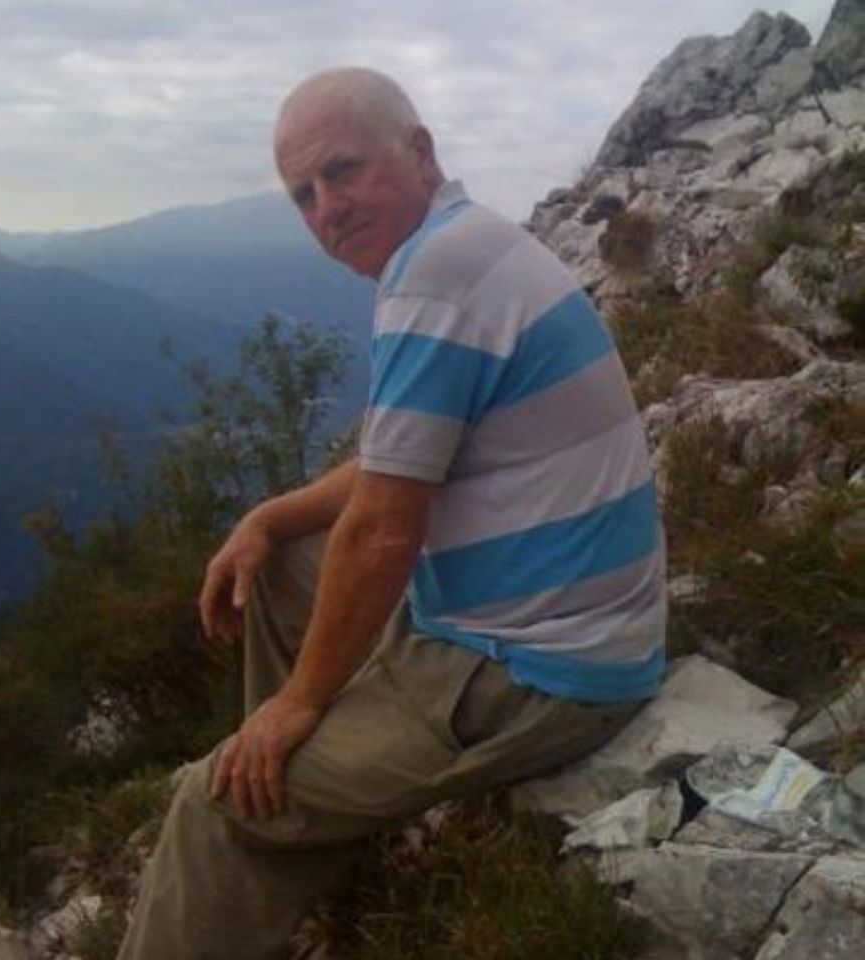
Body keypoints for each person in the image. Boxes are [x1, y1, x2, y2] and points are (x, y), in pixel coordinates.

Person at [117, 66, 666, 960]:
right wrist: (267, 518)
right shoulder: (460, 244)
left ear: (418, 153)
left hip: (536, 670)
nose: (326, 206)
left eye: (342, 171)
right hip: (555, 622)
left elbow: (382, 528)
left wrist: (300, 703)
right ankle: (289, 805)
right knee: (284, 565)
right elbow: (389, 463)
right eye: (304, 193)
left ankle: (260, 803)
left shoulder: (435, 278)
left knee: (204, 811)